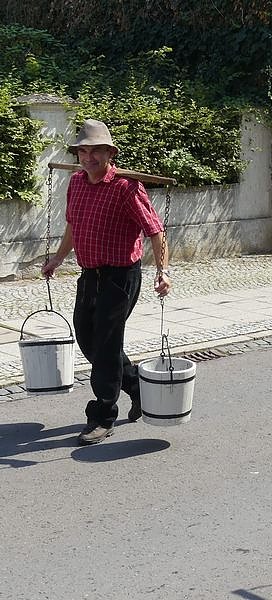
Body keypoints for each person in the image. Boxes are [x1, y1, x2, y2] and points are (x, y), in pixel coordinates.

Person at [42, 119, 171, 445]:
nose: (88, 158)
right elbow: (73, 225)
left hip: (120, 277)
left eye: (96, 151)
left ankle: (102, 414)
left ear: (109, 154)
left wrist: (163, 271)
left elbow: (156, 231)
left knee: (107, 343)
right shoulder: (76, 183)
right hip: (89, 275)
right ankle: (137, 386)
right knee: (88, 337)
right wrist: (57, 258)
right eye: (83, 151)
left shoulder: (127, 188)